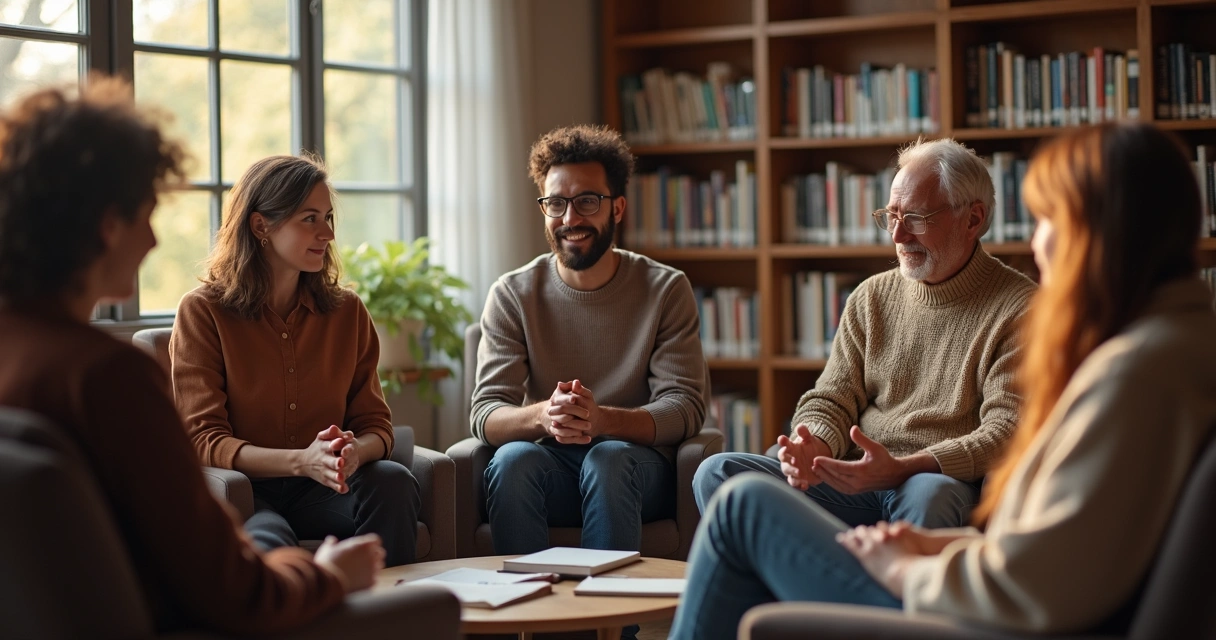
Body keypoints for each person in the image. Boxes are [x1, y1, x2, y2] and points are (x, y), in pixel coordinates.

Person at [668, 122, 1216, 640]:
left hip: (969, 611)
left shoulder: (1134, 373)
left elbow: (1031, 581)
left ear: (1101, 236)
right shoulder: (1170, 350)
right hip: (927, 548)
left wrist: (905, 568)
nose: (1039, 243)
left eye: (1051, 221)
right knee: (726, 474)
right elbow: (1054, 549)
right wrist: (823, 448)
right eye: (892, 215)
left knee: (747, 507)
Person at [0, 79, 386, 633]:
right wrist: (327, 575)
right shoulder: (108, 378)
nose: (155, 242)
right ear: (108, 225)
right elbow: (235, 593)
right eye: (147, 215)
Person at [694, 137, 1036, 530]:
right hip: (856, 477)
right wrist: (813, 446)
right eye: (891, 215)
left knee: (930, 496)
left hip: (933, 478)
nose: (898, 236)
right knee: (718, 474)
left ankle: (867, 582)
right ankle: (825, 581)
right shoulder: (870, 297)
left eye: (917, 219)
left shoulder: (1021, 308)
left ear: (973, 219)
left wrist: (903, 467)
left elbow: (1006, 431)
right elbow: (832, 398)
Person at [170, 154, 420, 567]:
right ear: (260, 225)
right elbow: (203, 441)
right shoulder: (203, 312)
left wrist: (356, 452)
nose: (327, 233)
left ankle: (394, 618)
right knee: (270, 540)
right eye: (309, 218)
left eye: (327, 217)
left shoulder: (347, 312)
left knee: (393, 482)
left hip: (326, 490)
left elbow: (377, 425)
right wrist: (302, 461)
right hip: (249, 491)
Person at [472, 124, 710, 556]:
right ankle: (524, 620)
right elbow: (486, 413)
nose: (570, 219)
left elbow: (686, 408)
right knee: (511, 460)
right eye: (556, 204)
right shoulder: (512, 293)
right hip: (553, 466)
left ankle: (614, 625)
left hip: (636, 466)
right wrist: (545, 416)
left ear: (616, 208)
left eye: (586, 202)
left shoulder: (665, 289)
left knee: (609, 457)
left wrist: (602, 421)